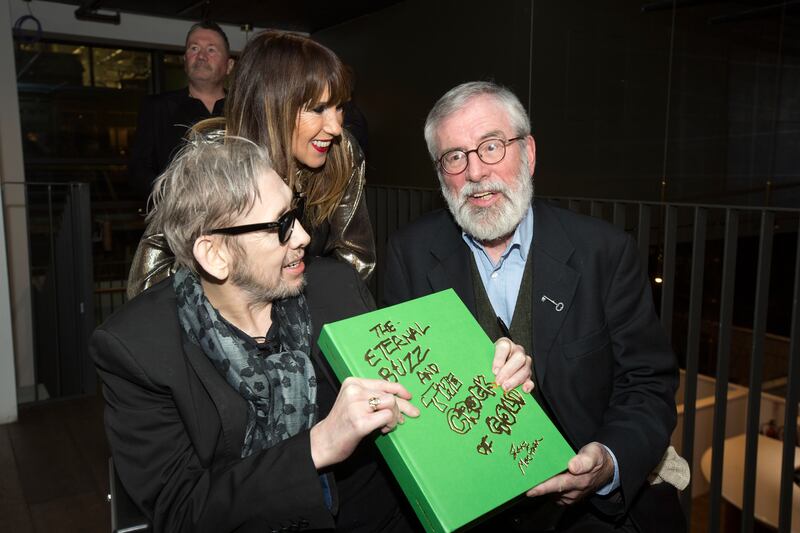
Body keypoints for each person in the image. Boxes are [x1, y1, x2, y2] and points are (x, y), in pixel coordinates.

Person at [93, 131, 534, 533]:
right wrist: (316, 447)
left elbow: (411, 394)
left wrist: (482, 370)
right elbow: (182, 512)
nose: (303, 235)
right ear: (215, 254)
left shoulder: (335, 286)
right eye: (280, 226)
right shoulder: (137, 349)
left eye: (296, 213)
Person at [382, 81, 684, 532]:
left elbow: (648, 383)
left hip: (592, 513)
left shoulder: (603, 252)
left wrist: (607, 461)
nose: (476, 173)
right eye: (455, 157)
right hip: (471, 510)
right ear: (440, 173)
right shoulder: (408, 254)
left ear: (529, 153)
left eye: (491, 147)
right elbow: (401, 392)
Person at [127, 30, 375, 298]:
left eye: (340, 108)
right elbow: (150, 276)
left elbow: (355, 258)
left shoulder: (342, 151)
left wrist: (309, 313)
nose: (336, 127)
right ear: (273, 104)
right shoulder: (214, 156)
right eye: (318, 109)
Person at [128, 21, 233, 198]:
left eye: (211, 50)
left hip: (239, 219)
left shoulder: (247, 109)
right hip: (177, 220)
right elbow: (138, 171)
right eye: (194, 48)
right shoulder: (157, 108)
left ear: (229, 65)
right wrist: (175, 198)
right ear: (184, 60)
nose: (201, 56)